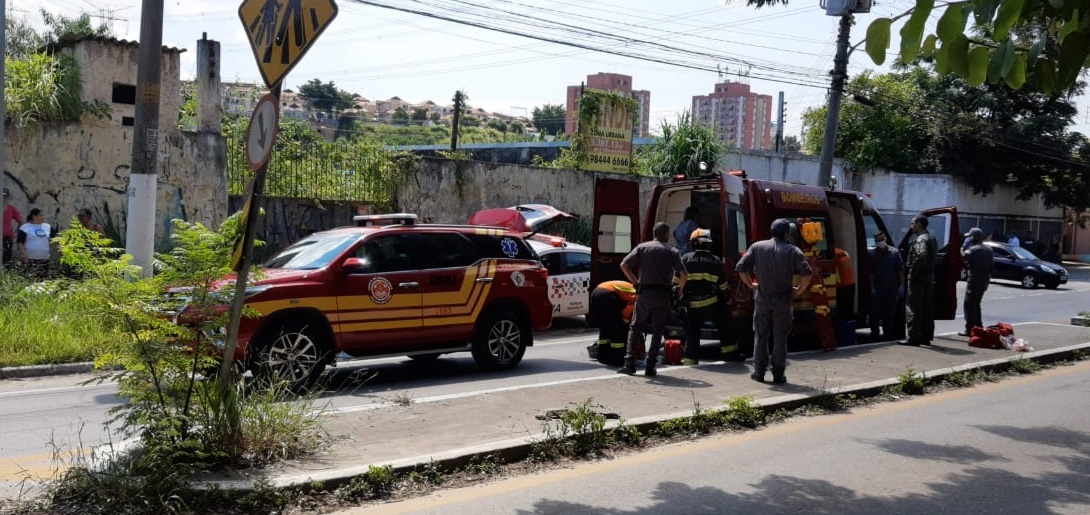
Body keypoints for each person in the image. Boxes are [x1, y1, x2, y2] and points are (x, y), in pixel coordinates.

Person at [736, 219, 813, 385]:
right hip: (783, 301)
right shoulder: (793, 251)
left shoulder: (757, 247)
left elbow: (741, 268)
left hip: (762, 300)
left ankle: (758, 372)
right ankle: (778, 374)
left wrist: (751, 285)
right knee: (780, 339)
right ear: (787, 234)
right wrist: (798, 290)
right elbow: (807, 274)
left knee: (760, 336)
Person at [617, 222, 688, 377]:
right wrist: (679, 292)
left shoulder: (642, 247)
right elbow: (683, 275)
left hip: (645, 293)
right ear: (666, 235)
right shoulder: (672, 251)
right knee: (657, 331)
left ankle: (629, 364)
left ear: (654, 234)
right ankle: (650, 366)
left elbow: (624, 265)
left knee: (635, 327)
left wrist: (635, 282)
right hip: (663, 295)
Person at [679, 228, 737, 365]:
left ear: (693, 243)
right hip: (711, 304)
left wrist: (678, 303)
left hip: (691, 306)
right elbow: (723, 286)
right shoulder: (715, 261)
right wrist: (727, 297)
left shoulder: (685, 259)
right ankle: (729, 354)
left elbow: (676, 284)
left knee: (692, 333)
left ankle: (690, 360)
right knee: (725, 324)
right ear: (709, 244)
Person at [900, 214, 937, 347]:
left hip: (918, 277)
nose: (911, 226)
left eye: (912, 223)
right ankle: (926, 337)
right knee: (926, 308)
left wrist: (912, 272)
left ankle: (913, 337)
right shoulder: (932, 238)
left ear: (919, 224)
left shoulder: (921, 239)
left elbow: (922, 255)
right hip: (928, 277)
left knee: (913, 306)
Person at [589, 280, 637, 366]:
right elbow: (628, 310)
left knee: (605, 327)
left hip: (596, 292)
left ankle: (604, 357)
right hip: (607, 295)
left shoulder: (632, 287)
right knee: (617, 329)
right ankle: (617, 359)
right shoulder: (639, 295)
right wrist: (625, 321)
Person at [959, 227, 994, 336]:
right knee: (977, 304)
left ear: (973, 237)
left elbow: (963, 257)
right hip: (984, 280)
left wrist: (963, 247)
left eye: (969, 237)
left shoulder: (972, 250)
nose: (968, 238)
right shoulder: (989, 249)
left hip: (974, 280)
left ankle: (969, 329)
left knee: (969, 305)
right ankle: (979, 326)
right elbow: (992, 266)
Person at [868, 231, 903, 340]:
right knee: (874, 314)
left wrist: (901, 285)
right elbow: (871, 273)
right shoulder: (872, 254)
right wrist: (872, 287)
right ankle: (875, 334)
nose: (880, 242)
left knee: (888, 314)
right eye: (878, 240)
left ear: (885, 239)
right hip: (878, 288)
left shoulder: (894, 253)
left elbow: (900, 270)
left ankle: (888, 335)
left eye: (881, 239)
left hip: (891, 289)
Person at [16, 208, 57, 278]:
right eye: (41, 215)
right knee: (29, 278)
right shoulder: (25, 227)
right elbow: (20, 242)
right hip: (29, 259)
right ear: (34, 216)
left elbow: (55, 238)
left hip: (44, 259)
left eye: (43, 215)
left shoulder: (47, 227)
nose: (43, 217)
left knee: (42, 280)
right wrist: (24, 255)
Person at [2, 188, 21, 265]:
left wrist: (15, 233)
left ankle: (4, 276)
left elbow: (20, 221)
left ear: (7, 197)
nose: (3, 198)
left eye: (5, 196)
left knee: (6, 259)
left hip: (7, 238)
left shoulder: (11, 209)